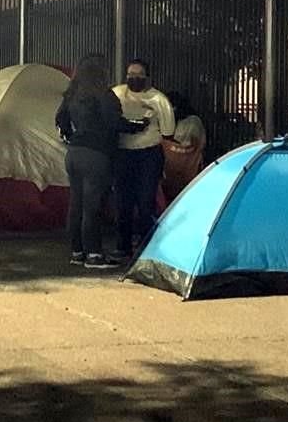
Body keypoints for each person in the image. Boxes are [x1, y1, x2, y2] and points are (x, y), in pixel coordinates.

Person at [56, 55, 145, 269]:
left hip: (74, 153)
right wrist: (138, 125)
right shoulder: (104, 95)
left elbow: (60, 120)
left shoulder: (72, 94)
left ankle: (77, 252)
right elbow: (114, 122)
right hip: (96, 155)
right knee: (92, 206)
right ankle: (94, 254)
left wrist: (72, 136)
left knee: (76, 204)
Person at [112, 59, 176, 257]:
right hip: (123, 153)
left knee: (146, 201)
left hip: (149, 154)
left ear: (147, 77)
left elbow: (168, 131)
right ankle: (123, 246)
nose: (134, 78)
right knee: (123, 202)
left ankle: (146, 246)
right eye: (131, 74)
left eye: (139, 75)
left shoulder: (158, 99)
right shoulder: (116, 94)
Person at [161, 92, 207, 203]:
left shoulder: (193, 122)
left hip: (188, 163)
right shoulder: (172, 121)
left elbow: (192, 144)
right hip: (173, 166)